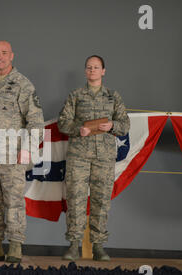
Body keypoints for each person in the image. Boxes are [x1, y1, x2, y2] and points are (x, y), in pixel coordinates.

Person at [0, 41, 44, 263]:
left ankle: (15, 244)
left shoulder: (23, 84)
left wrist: (27, 149)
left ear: (12, 56)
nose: (0, 57)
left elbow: (36, 122)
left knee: (14, 200)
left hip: (13, 153)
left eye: (4, 53)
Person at [57, 55, 130, 261]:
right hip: (79, 155)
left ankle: (98, 246)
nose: (92, 71)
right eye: (89, 67)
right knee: (76, 199)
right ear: (85, 71)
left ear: (103, 71)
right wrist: (77, 129)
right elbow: (63, 122)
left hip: (104, 158)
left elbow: (125, 124)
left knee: (101, 200)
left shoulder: (113, 97)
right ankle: (73, 245)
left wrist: (113, 126)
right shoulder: (76, 95)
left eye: (96, 67)